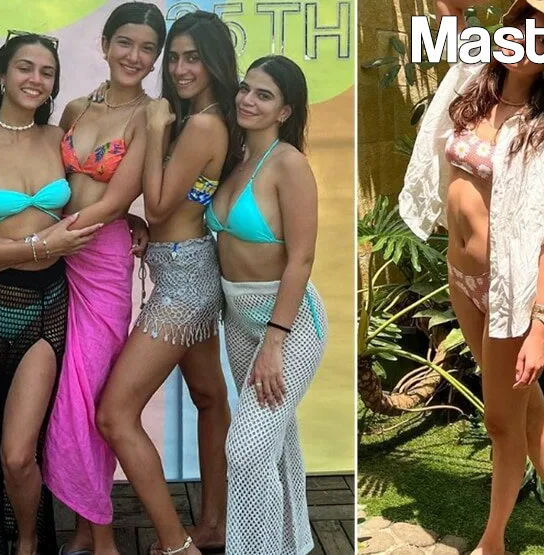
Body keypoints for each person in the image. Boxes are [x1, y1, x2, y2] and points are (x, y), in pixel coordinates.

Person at [399, 1, 544, 554]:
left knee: (502, 423)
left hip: (511, 293)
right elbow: (450, 20)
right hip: (461, 277)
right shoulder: (472, 85)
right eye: (523, 26)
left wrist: (540, 327)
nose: (527, 40)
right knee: (525, 409)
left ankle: (493, 540)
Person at [0, 31, 102, 555]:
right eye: (25, 68)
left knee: (18, 452)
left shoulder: (61, 141)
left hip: (45, 306)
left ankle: (28, 543)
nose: (36, 79)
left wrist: (133, 223)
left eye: (46, 72)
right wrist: (39, 245)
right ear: (2, 75)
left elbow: (97, 195)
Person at [97, 10, 238, 555]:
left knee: (114, 414)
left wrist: (155, 129)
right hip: (189, 265)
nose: (179, 68)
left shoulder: (200, 125)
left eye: (192, 58)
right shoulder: (203, 117)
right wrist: (136, 221)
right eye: (174, 57)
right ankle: (214, 525)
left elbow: (157, 206)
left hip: (183, 283)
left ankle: (176, 544)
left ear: (214, 62)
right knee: (209, 397)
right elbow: (170, 209)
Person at [40, 3, 161, 554]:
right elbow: (52, 186)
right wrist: (39, 244)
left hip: (102, 265)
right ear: (106, 44)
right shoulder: (74, 109)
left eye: (147, 48)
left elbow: (114, 200)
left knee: (86, 396)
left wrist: (51, 238)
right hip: (55, 262)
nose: (135, 56)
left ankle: (105, 538)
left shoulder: (149, 117)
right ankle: (85, 527)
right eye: (126, 43)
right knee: (61, 395)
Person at [212, 55, 326, 555]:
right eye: (245, 88)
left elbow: (301, 259)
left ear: (285, 111)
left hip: (288, 323)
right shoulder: (232, 161)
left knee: (247, 451)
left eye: (264, 95)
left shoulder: (289, 164)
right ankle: (291, 544)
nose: (248, 100)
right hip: (238, 319)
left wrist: (275, 342)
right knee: (275, 444)